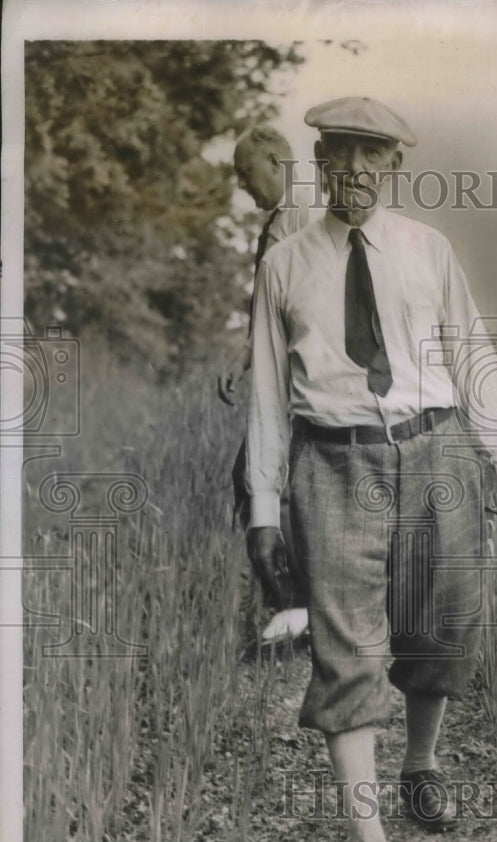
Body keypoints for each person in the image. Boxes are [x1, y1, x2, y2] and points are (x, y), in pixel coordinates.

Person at [246, 96, 497, 842]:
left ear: (393, 166)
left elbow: (473, 357)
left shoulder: (428, 251)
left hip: (435, 448)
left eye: (369, 157)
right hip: (332, 464)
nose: (351, 172)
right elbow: (269, 398)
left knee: (436, 622)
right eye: (336, 155)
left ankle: (421, 764)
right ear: (317, 161)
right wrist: (262, 510)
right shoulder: (286, 264)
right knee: (346, 645)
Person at [218, 124, 313, 643]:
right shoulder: (285, 218)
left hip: (298, 385)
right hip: (288, 379)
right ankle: (300, 608)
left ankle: (299, 611)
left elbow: (290, 311)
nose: (242, 184)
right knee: (263, 484)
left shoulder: (298, 217)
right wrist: (243, 357)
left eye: (246, 172)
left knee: (262, 482)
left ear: (277, 162)